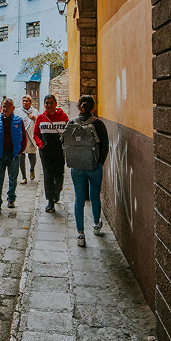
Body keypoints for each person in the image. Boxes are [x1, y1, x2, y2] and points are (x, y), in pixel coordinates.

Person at [67, 94, 111, 246]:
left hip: (77, 167)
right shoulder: (99, 124)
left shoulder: (72, 123)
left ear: (79, 107)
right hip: (94, 167)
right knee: (94, 196)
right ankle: (96, 225)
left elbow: (66, 146)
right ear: (94, 108)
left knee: (79, 199)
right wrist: (98, 163)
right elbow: (105, 147)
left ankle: (80, 234)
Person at [33, 94, 70, 213]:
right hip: (46, 152)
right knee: (48, 175)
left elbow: (68, 132)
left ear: (56, 104)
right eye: (46, 103)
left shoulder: (63, 116)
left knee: (59, 174)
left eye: (51, 102)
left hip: (59, 151)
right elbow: (36, 134)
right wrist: (40, 144)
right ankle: (50, 201)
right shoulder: (40, 118)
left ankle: (57, 191)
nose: (49, 105)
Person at [0, 98, 28, 212]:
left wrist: (20, 151)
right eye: (3, 106)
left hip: (13, 154)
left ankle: (11, 199)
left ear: (13, 108)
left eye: (7, 106)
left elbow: (24, 137)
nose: (5, 109)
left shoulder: (18, 120)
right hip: (0, 154)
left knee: (13, 178)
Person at [19, 95, 39, 185]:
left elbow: (39, 122)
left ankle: (32, 169)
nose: (25, 103)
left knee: (32, 156)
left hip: (32, 137)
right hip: (22, 137)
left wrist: (34, 118)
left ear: (30, 102)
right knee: (21, 156)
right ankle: (23, 177)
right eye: (23, 101)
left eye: (27, 101)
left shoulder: (35, 111)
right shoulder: (18, 111)